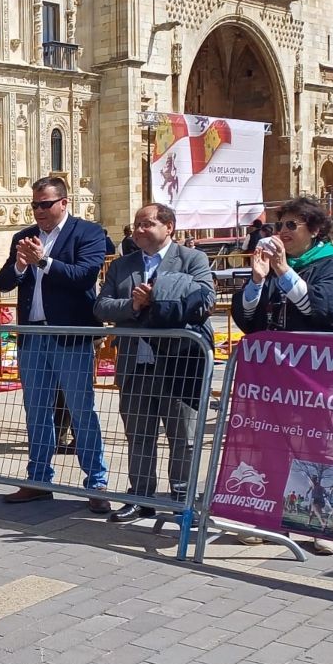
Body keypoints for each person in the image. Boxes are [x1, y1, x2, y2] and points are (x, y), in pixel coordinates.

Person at [93, 204, 214, 523]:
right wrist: (134, 305)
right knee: (139, 435)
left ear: (169, 227)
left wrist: (157, 298)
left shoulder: (192, 260)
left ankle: (181, 498)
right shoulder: (121, 267)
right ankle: (141, 497)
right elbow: (102, 306)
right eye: (136, 224)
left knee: (183, 438)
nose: (139, 230)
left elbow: (204, 300)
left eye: (147, 224)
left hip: (178, 364)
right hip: (136, 365)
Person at [0, 175, 110, 510]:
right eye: (34, 205)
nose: (39, 211)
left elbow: (84, 277)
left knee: (81, 410)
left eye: (45, 204)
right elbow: (3, 284)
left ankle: (97, 482)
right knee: (37, 412)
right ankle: (39, 479)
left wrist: (43, 261)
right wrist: (19, 264)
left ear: (64, 202)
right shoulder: (23, 237)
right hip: (33, 337)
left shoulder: (87, 233)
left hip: (71, 335)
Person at [233, 196, 333, 334]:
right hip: (272, 350)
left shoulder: (332, 261)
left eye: (291, 225)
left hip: (313, 351)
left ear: (314, 230)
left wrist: (283, 270)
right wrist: (256, 281)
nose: (283, 230)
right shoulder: (273, 262)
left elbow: (321, 309)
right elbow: (247, 316)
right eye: (279, 225)